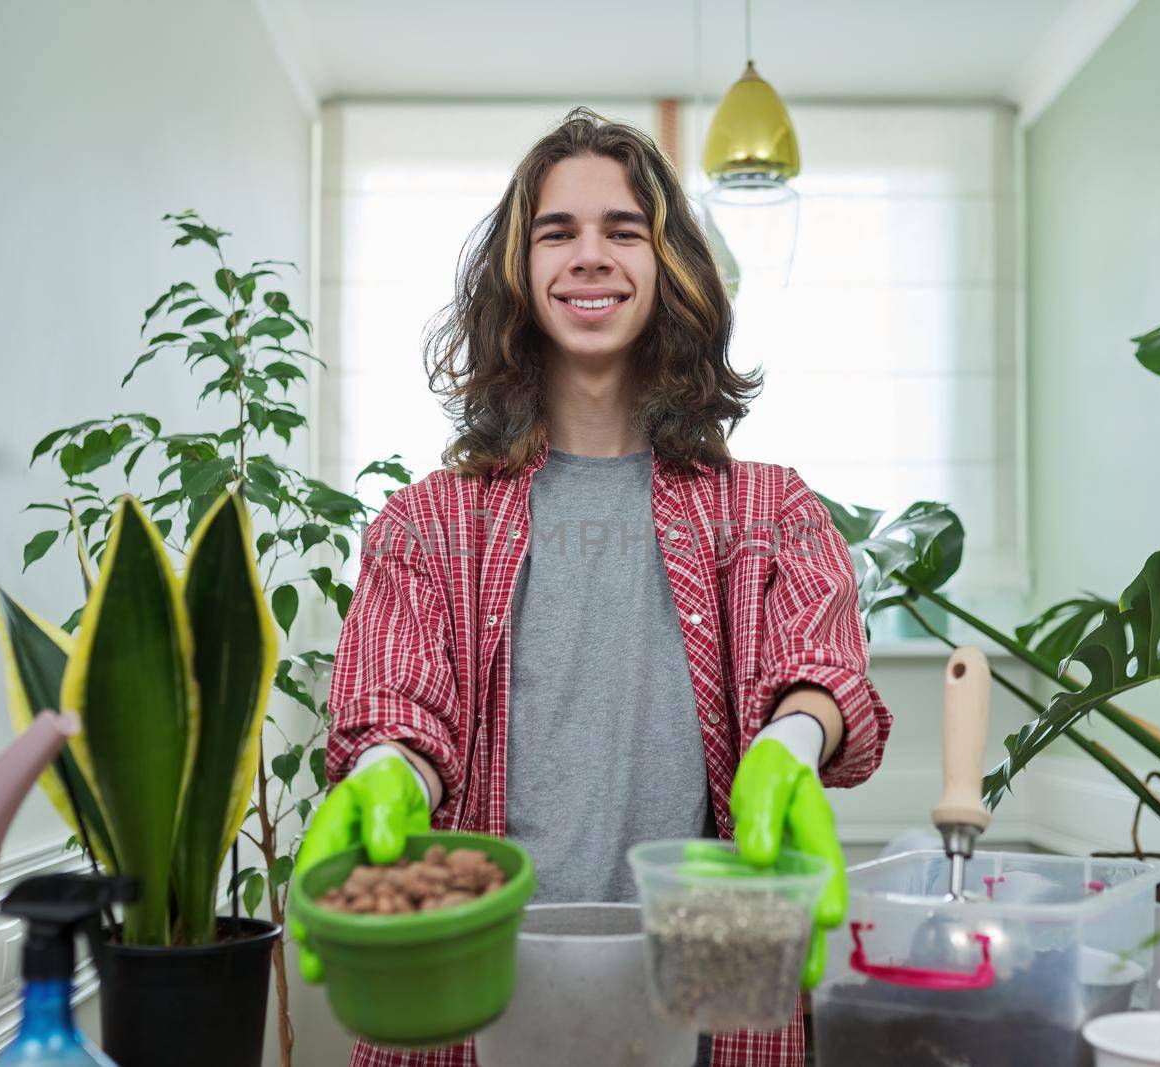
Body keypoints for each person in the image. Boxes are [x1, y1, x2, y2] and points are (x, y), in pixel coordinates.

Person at [293, 106, 891, 1067]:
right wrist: (384, 775)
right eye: (557, 232)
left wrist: (789, 741)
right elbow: (399, 707)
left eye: (624, 231)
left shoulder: (771, 511)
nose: (590, 256)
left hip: (704, 998)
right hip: (480, 999)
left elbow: (815, 657)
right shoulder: (426, 525)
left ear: (670, 269)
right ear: (520, 276)